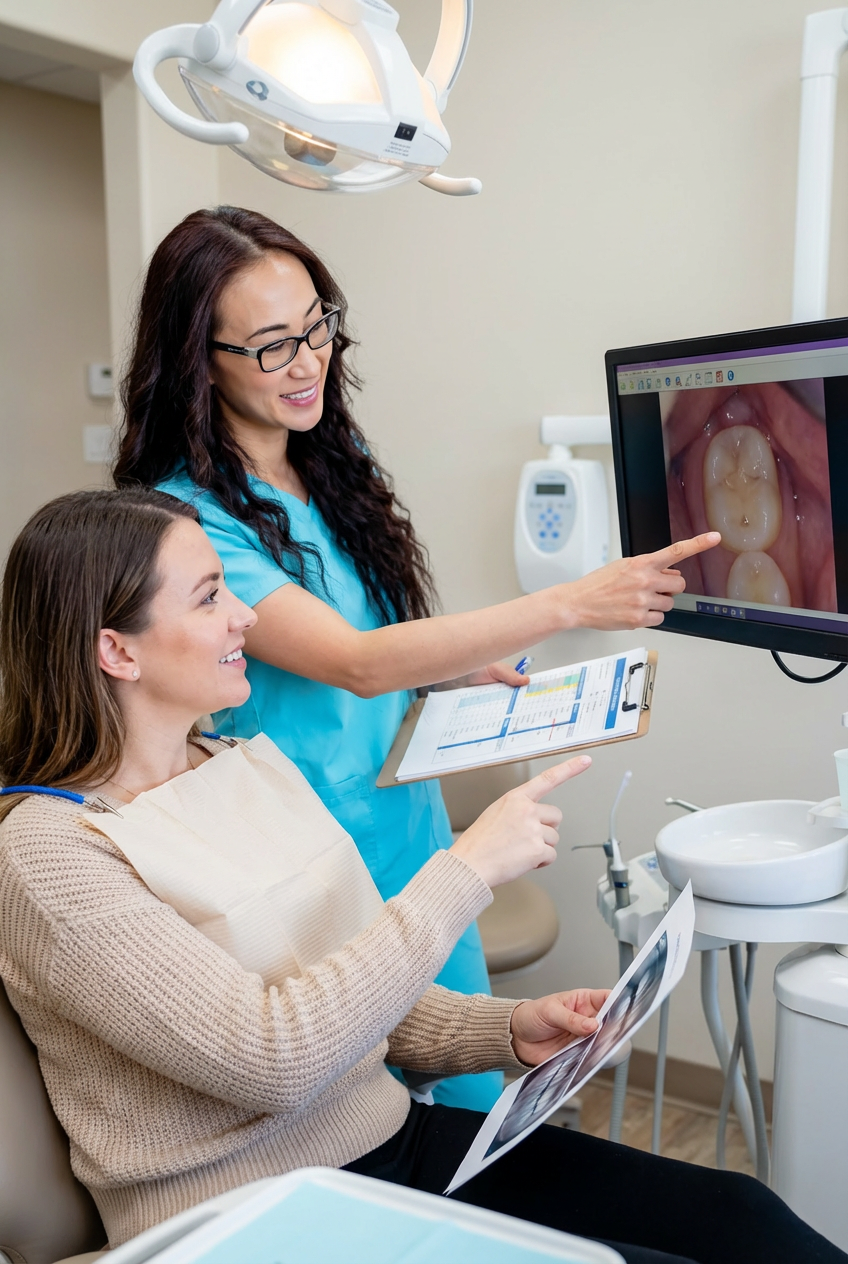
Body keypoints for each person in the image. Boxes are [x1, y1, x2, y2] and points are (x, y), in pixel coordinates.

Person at [0, 488, 840, 1264]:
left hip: (388, 1147)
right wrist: (464, 871)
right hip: (247, 1218)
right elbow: (274, 1058)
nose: (245, 616)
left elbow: (357, 994)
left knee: (741, 1218)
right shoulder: (51, 855)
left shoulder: (232, 760)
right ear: (116, 649)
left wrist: (508, 1030)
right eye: (209, 597)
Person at [113, 205, 720, 1110]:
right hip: (312, 857)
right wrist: (569, 602)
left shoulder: (329, 460)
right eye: (273, 346)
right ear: (201, 359)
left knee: (470, 1085)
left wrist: (445, 674)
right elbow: (354, 661)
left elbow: (374, 636)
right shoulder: (190, 520)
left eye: (317, 326)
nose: (309, 362)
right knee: (362, 1117)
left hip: (411, 827)